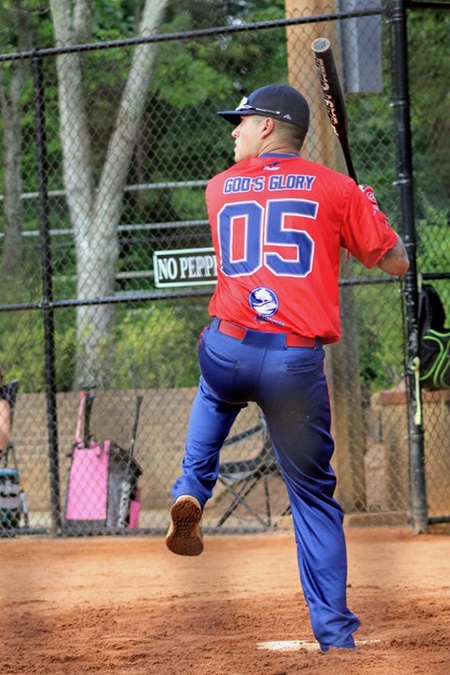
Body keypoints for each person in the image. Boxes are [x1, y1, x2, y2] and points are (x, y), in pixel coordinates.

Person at [165, 84, 409, 652]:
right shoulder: (336, 189)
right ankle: (335, 636)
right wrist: (369, 211)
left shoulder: (218, 189)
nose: (235, 131)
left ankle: (192, 489)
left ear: (269, 127)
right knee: (314, 499)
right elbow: (395, 262)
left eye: (244, 122)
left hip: (230, 348)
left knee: (215, 379)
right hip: (295, 362)